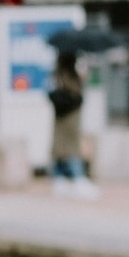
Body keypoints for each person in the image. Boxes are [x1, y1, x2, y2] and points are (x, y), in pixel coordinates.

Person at [46, 48, 98, 198]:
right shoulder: (67, 74)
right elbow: (73, 94)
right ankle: (78, 178)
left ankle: (59, 178)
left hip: (62, 116)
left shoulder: (58, 72)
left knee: (61, 147)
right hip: (69, 117)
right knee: (71, 146)